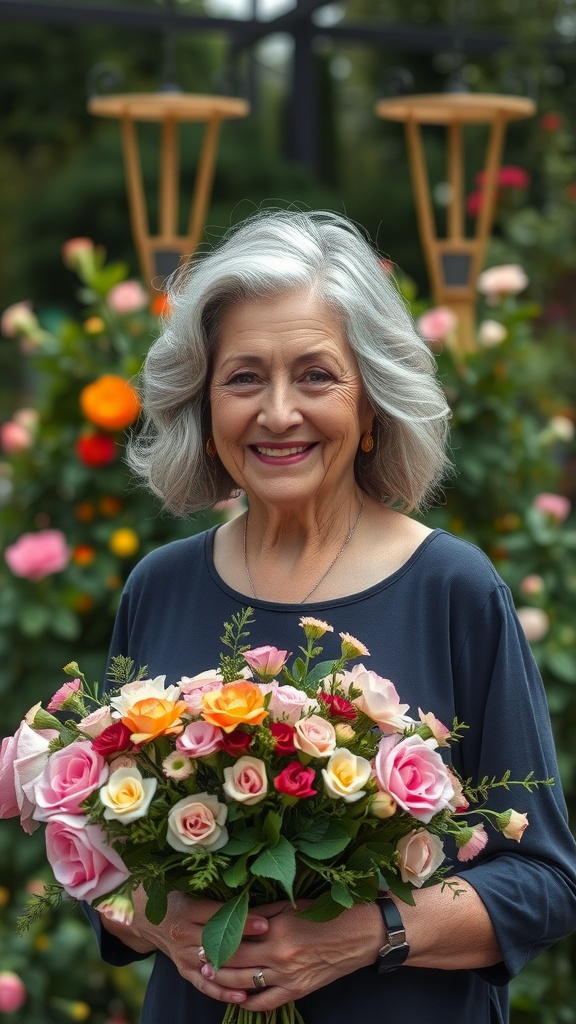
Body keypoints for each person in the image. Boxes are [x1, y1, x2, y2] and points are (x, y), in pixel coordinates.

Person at [88, 210, 576, 1024]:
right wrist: (160, 921)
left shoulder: (453, 588)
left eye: (316, 375)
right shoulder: (159, 586)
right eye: (244, 378)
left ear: (373, 403)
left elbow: (547, 881)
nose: (278, 413)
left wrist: (371, 931)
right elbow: (95, 858)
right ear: (205, 409)